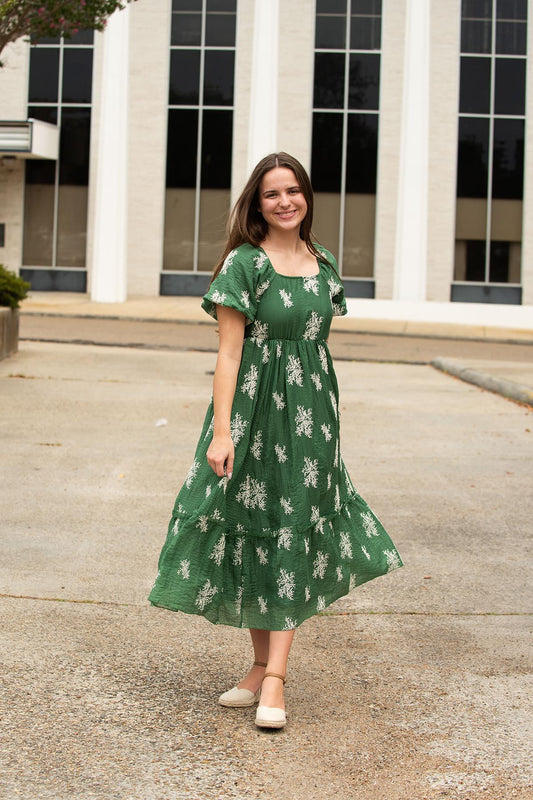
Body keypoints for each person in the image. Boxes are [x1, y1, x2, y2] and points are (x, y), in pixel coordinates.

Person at [148, 152, 403, 730]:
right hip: (250, 416)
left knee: (292, 530)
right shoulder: (245, 264)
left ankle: (275, 680)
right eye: (271, 194)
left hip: (311, 419)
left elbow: (316, 348)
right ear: (256, 204)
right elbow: (229, 353)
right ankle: (260, 665)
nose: (284, 201)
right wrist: (220, 431)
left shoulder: (324, 263)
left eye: (293, 191)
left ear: (306, 197)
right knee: (252, 529)